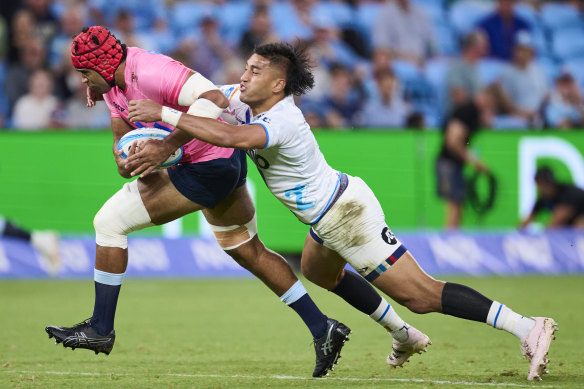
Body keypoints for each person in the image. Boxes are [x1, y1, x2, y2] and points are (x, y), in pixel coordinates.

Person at [126, 42, 558, 381]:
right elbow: (206, 103)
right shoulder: (240, 98)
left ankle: (527, 326)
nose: (244, 75)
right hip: (326, 214)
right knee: (318, 272)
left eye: (256, 70)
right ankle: (403, 335)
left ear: (279, 84)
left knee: (421, 295)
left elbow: (233, 139)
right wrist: (139, 105)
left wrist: (164, 114)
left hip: (346, 215)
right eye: (246, 66)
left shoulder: (283, 119)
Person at [44, 26, 353, 378]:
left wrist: (165, 145)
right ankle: (321, 327)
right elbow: (123, 136)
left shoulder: (150, 70)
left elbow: (214, 99)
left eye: (85, 74)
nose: (83, 83)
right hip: (213, 163)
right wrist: (125, 158)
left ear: (101, 66)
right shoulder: (111, 83)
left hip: (209, 165)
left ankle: (100, 328)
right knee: (246, 249)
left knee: (109, 223)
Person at [436, 94, 493, 229]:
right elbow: (453, 142)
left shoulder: (470, 112)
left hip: (452, 164)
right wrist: (474, 161)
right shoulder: (468, 111)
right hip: (449, 164)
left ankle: (452, 239)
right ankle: (449, 242)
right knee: (454, 207)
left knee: (457, 207)